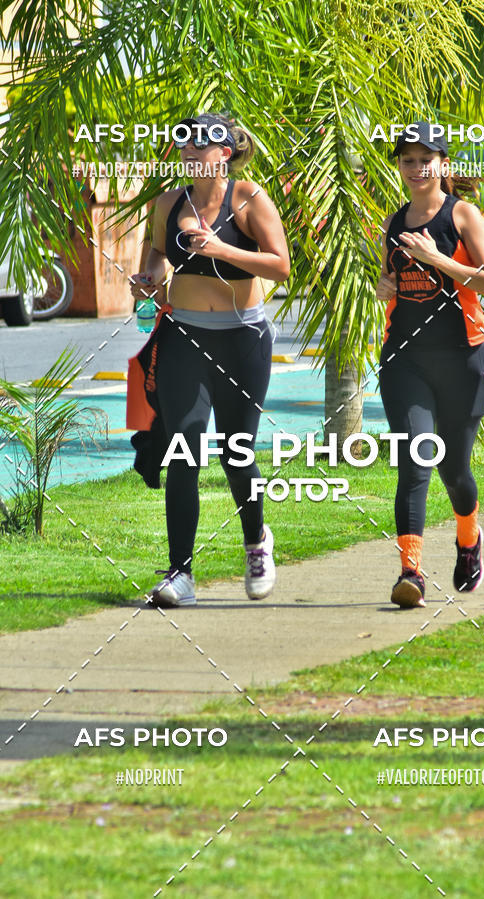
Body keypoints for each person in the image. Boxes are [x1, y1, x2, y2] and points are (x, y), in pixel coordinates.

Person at [129, 113, 290, 607]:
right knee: (186, 449)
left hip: (243, 339)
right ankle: (180, 574)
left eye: (203, 142)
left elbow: (281, 265)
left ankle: (256, 541)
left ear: (226, 152)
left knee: (236, 453)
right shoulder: (166, 204)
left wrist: (222, 247)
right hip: (186, 337)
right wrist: (147, 280)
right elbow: (154, 256)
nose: (191, 150)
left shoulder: (248, 198)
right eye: (185, 142)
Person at [375, 122, 484, 608]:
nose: (417, 166)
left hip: (464, 360)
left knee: (454, 467)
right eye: (408, 159)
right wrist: (385, 287)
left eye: (427, 158)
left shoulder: (463, 215)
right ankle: (411, 572)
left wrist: (436, 257)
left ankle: (468, 538)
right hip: (405, 361)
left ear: (443, 164)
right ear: (400, 167)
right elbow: (393, 278)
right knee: (415, 460)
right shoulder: (393, 222)